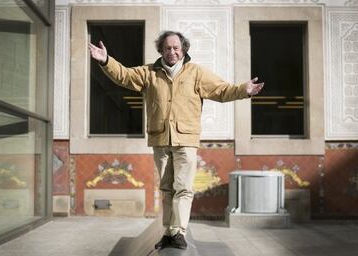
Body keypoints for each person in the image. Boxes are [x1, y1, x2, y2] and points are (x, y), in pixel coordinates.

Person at [88, 30, 264, 250]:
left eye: (176, 48)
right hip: (160, 138)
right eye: (167, 48)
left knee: (183, 187)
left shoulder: (196, 72)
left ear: (183, 50)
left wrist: (243, 90)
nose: (172, 51)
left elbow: (221, 90)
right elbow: (124, 75)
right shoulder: (149, 72)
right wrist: (106, 61)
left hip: (186, 139)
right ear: (161, 50)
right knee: (166, 188)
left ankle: (178, 231)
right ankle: (168, 232)